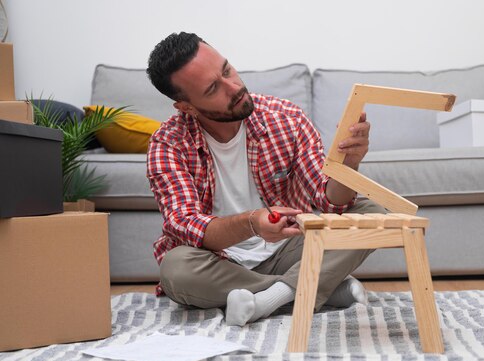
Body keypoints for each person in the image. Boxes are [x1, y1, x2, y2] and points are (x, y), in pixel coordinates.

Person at [146, 32, 385, 326]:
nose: (234, 87)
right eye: (212, 89)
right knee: (176, 269)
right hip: (218, 262)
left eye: (227, 70)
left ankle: (269, 299)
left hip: (290, 246)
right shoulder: (167, 143)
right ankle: (319, 285)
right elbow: (185, 225)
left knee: (374, 214)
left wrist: (349, 163)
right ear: (187, 107)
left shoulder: (286, 118)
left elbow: (330, 202)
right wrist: (251, 223)